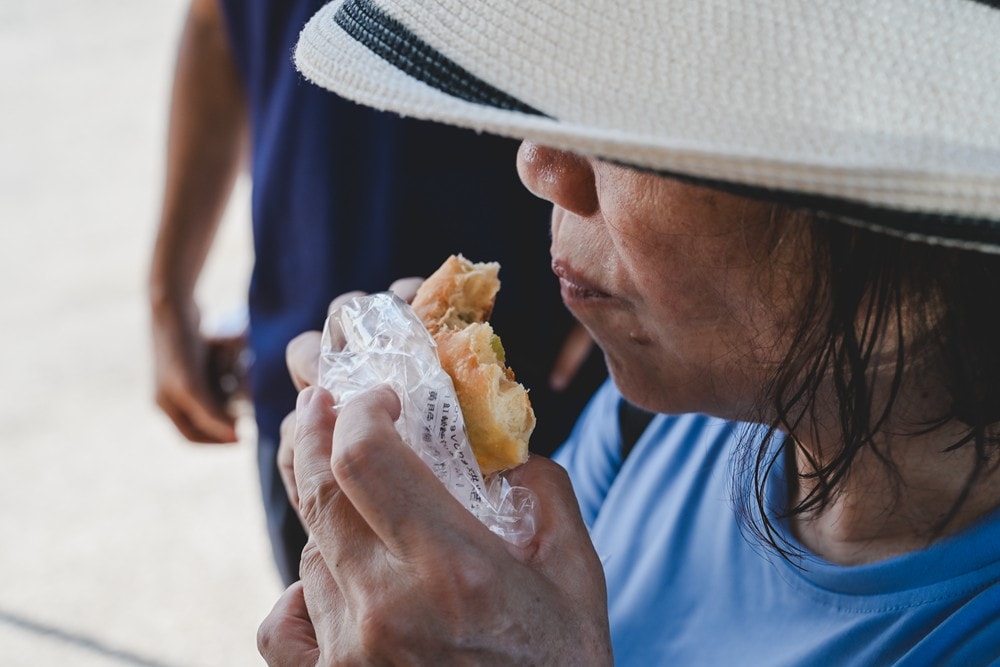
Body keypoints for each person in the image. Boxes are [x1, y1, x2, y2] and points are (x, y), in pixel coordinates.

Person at [257, 0, 1000, 663]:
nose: (539, 164)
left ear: (912, 251)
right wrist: (424, 493)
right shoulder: (650, 425)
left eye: (645, 120)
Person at [148, 0, 606, 587]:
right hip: (305, 359)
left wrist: (618, 261)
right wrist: (168, 295)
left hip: (528, 372)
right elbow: (214, 20)